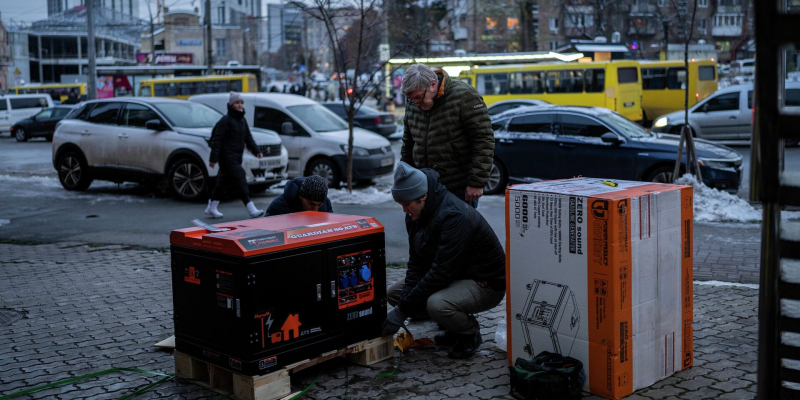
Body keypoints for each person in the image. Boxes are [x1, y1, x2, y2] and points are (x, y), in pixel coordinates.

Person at [381, 162, 506, 359]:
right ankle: (452, 326)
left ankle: (469, 333)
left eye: (407, 204)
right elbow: (416, 263)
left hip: (485, 283)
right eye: (401, 204)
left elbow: (441, 273)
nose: (404, 210)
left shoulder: (454, 217)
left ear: (423, 197)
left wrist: (402, 311)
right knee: (393, 294)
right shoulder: (415, 214)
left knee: (436, 304)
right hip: (454, 276)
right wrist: (403, 305)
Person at [400, 63, 494, 208]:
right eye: (412, 99)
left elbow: (483, 139)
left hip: (458, 188)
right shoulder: (413, 102)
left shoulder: (465, 96)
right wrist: (404, 179)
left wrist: (477, 182)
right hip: (424, 186)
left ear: (432, 85)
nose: (416, 103)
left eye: (419, 97)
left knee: (458, 230)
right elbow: (408, 143)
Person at [204, 92, 265, 219]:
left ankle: (212, 206)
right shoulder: (225, 120)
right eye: (237, 103)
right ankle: (251, 208)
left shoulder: (242, 120)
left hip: (237, 156)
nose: (240, 105)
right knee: (240, 176)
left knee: (222, 181)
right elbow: (217, 140)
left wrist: (257, 151)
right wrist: (213, 159)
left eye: (241, 103)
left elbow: (248, 138)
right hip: (226, 157)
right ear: (231, 105)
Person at [266, 175, 333, 216]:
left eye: (319, 205)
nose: (315, 210)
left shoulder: (326, 203)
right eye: (311, 204)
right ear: (300, 196)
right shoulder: (278, 206)